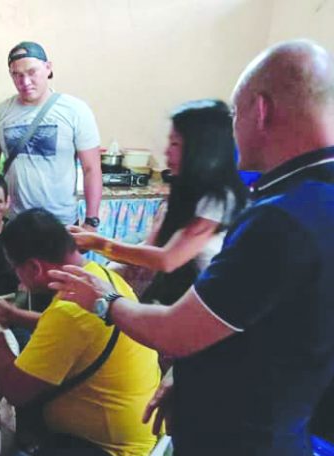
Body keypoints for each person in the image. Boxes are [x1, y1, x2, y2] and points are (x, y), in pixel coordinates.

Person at [48, 39, 334, 456]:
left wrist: (103, 299)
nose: (235, 132)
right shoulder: (307, 198)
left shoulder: (286, 216)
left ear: (260, 110)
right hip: (270, 440)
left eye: (237, 115)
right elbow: (266, 324)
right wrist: (191, 378)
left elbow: (176, 329)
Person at [0, 208, 160, 456]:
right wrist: (13, 314)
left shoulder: (69, 312)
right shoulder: (101, 279)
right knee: (19, 335)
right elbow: (63, 328)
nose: (16, 277)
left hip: (110, 452)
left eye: (15, 269)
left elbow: (17, 391)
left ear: (33, 268)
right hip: (139, 427)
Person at [70, 99, 248, 305]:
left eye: (175, 144)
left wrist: (98, 243)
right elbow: (149, 254)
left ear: (202, 148)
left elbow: (166, 260)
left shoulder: (220, 200)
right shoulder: (185, 192)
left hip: (215, 304)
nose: (166, 152)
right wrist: (92, 244)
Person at [0, 41, 103, 229]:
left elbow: (91, 169)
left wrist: (91, 220)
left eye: (32, 72)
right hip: (15, 221)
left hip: (61, 223)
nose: (25, 82)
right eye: (17, 75)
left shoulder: (76, 110)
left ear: (48, 68)